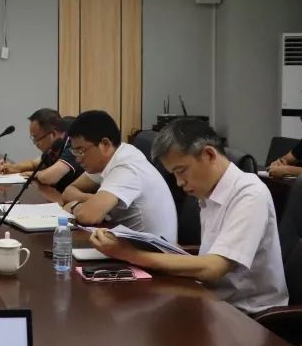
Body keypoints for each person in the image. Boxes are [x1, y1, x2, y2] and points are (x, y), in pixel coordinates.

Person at [91, 117, 288, 314]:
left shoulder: (250, 194)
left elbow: (213, 268)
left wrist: (129, 254)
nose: (179, 182)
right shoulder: (209, 191)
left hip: (247, 315)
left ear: (209, 154)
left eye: (181, 171)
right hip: (211, 300)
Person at [60, 110, 178, 242]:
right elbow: (68, 192)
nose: (78, 159)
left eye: (81, 151)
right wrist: (92, 200)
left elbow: (88, 216)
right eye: (75, 152)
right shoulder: (108, 159)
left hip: (151, 251)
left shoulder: (127, 166)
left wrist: (74, 206)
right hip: (125, 243)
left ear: (105, 144)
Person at [0, 108, 81, 200]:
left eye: (36, 138)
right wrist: (13, 168)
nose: (35, 143)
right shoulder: (54, 147)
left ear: (53, 134)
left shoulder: (74, 144)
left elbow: (48, 177)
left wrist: (32, 174)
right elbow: (33, 164)